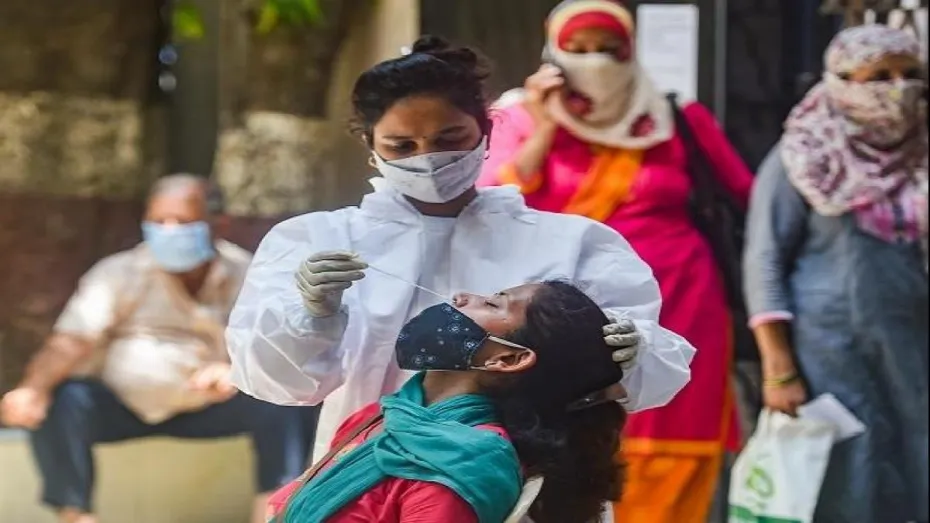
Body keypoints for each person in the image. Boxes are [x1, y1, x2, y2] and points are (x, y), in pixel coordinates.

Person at [225, 36, 696, 462]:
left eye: (449, 139)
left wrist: (631, 351)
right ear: (370, 147)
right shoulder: (317, 239)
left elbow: (649, 381)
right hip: (371, 476)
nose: (427, 158)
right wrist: (311, 316)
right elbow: (276, 383)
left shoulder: (575, 243)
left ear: (486, 132)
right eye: (401, 145)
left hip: (529, 477)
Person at [477, 2, 754, 521]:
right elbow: (491, 200)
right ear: (553, 54)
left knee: (673, 431)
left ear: (631, 52)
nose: (595, 62)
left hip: (682, 298)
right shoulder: (519, 114)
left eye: (608, 49)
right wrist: (544, 126)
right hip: (565, 310)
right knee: (567, 433)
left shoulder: (672, 116)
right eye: (578, 50)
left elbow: (746, 194)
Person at [0, 175, 311, 523]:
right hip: (123, 410)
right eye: (158, 221)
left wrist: (237, 372)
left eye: (182, 221)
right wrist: (33, 389)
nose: (168, 231)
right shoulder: (118, 273)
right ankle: (77, 517)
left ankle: (272, 514)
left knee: (281, 400)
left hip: (207, 408)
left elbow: (275, 345)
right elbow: (72, 340)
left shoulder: (247, 273)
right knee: (65, 399)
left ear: (218, 224)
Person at [744, 25, 928, 523]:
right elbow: (764, 259)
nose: (899, 88)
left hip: (912, 345)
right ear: (842, 80)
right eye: (879, 76)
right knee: (849, 471)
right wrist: (778, 368)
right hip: (829, 351)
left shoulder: (920, 150)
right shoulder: (804, 155)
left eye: (910, 74)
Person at [266, 281, 626, 523]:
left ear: (507, 358)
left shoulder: (463, 464)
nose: (461, 297)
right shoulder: (379, 417)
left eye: (492, 303)